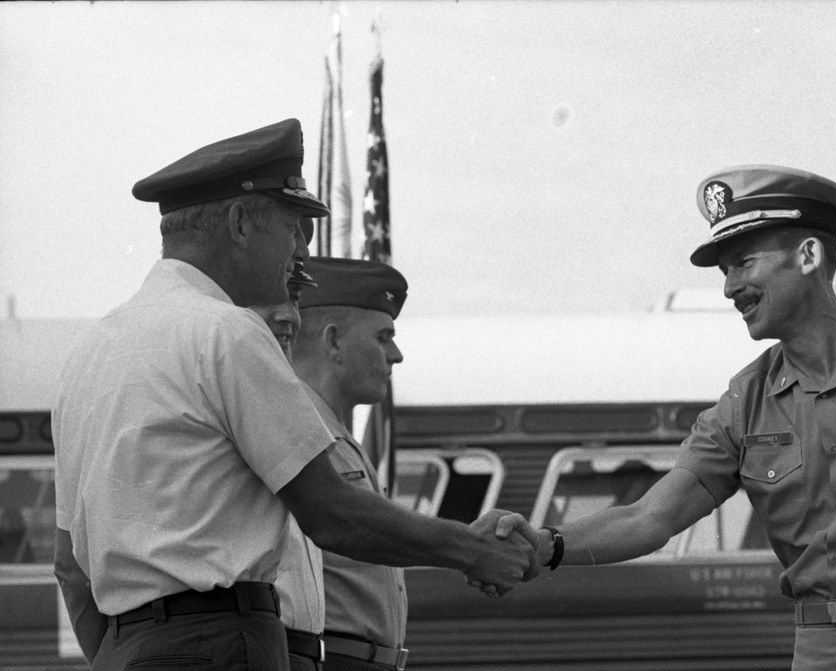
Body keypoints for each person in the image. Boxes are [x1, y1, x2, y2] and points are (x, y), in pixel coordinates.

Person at [52, 118, 538, 671]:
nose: (299, 250)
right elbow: (333, 514)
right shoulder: (227, 333)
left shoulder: (89, 354)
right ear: (239, 223)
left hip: (122, 650)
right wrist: (472, 550)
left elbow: (70, 565)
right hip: (224, 646)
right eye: (293, 227)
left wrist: (134, 653)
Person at [495, 165, 836, 670]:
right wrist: (546, 546)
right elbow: (650, 517)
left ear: (808, 256)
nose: (730, 288)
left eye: (743, 263)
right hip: (820, 649)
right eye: (725, 272)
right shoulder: (745, 401)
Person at [289, 256, 411, 671]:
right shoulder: (295, 431)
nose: (396, 355)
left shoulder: (333, 433)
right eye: (382, 337)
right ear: (334, 341)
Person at [250, 262, 327, 671]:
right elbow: (337, 517)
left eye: (295, 297)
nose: (288, 315)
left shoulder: (293, 405)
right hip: (269, 647)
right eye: (269, 299)